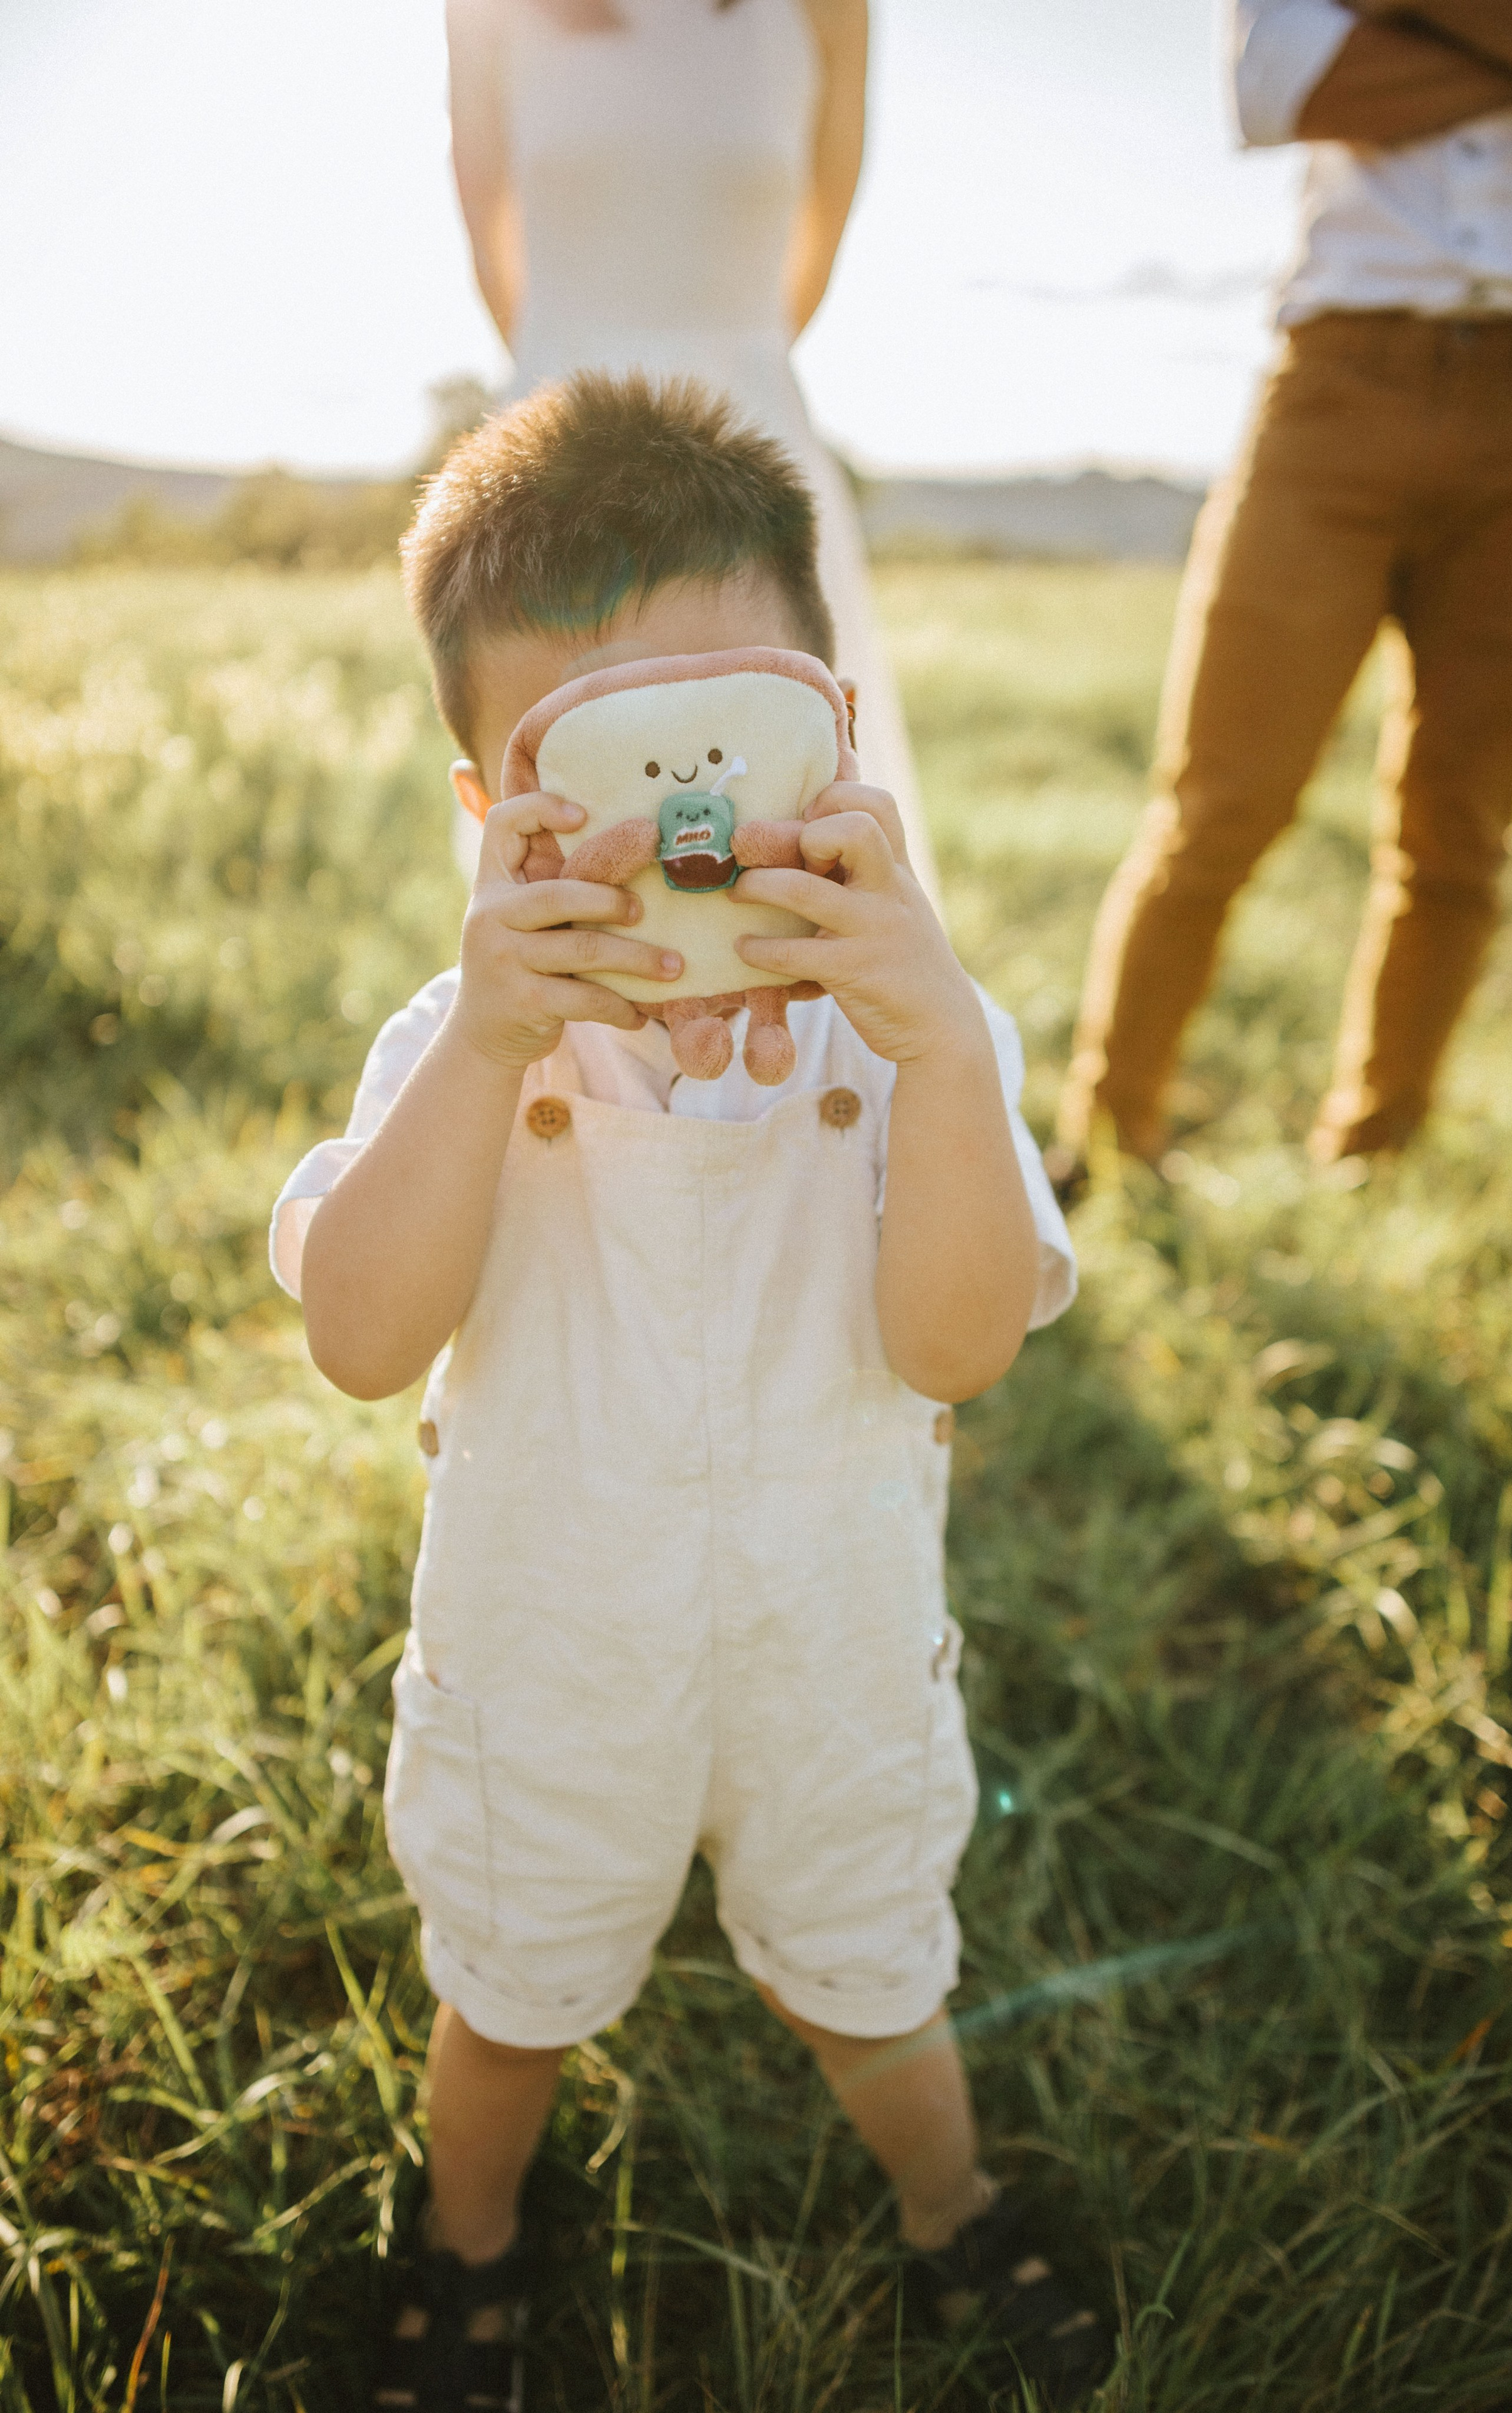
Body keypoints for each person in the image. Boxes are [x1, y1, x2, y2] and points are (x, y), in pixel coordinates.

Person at [270, 375, 1109, 2410]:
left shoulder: (919, 1040)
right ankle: (467, 2236)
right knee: (516, 1987)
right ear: (488, 818)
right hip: (549, 1656)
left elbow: (956, 1347)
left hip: (827, 1652)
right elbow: (366, 1336)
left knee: (866, 1974)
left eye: (727, 762)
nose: (687, 843)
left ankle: (948, 2201)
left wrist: (938, 1064)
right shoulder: (457, 1053)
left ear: (839, 745)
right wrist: (482, 1054)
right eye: (610, 785)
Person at [1050, 0, 1512, 1187]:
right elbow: (1282, 92)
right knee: (1218, 798)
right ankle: (1107, 1141)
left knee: (1458, 829)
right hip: (1339, 381)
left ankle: (1377, 1155)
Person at [443, 0, 944, 903]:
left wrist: (716, 418)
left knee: (793, 819)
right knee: (566, 840)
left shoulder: (829, 11)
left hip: (750, 442)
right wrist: (585, 443)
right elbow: (492, 248)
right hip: (560, 454)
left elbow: (812, 254)